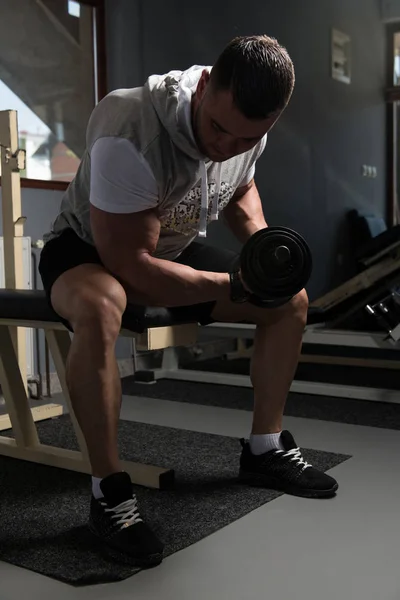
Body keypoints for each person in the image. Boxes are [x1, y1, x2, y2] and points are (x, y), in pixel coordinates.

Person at [39, 34, 338, 567]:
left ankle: (264, 449)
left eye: (245, 137)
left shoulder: (247, 131)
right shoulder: (129, 128)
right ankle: (108, 490)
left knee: (289, 301)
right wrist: (230, 287)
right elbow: (131, 266)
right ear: (203, 87)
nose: (226, 145)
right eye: (218, 128)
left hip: (169, 246)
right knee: (103, 304)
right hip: (89, 252)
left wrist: (264, 254)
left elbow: (241, 191)